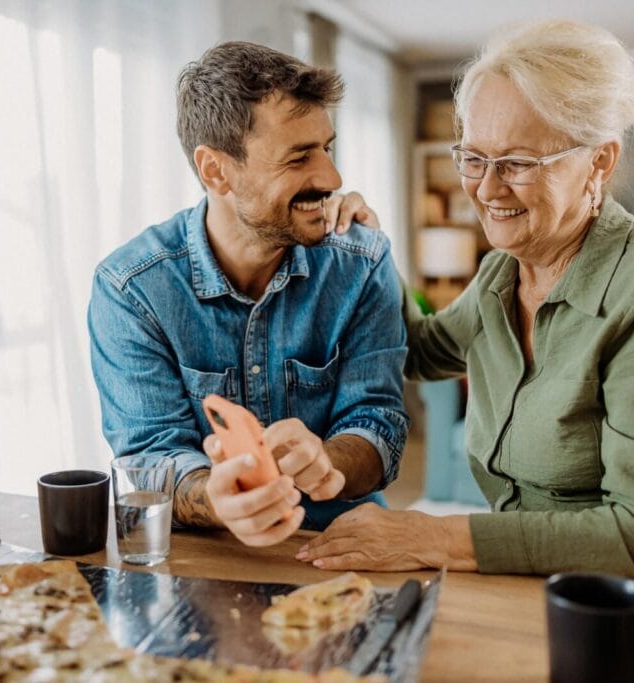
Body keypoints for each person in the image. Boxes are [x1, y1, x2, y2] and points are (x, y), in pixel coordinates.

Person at [298, 20, 634, 582]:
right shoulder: (503, 272)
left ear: (599, 161)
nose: (487, 189)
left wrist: (433, 535)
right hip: (541, 584)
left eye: (518, 163)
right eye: (473, 157)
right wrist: (371, 250)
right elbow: (418, 351)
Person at [89, 42, 408, 548]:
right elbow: (151, 453)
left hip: (338, 539)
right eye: (299, 156)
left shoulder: (362, 264)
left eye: (327, 147)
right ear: (216, 171)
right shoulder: (132, 289)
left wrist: (328, 463)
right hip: (204, 552)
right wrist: (220, 498)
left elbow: (378, 420)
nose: (331, 177)